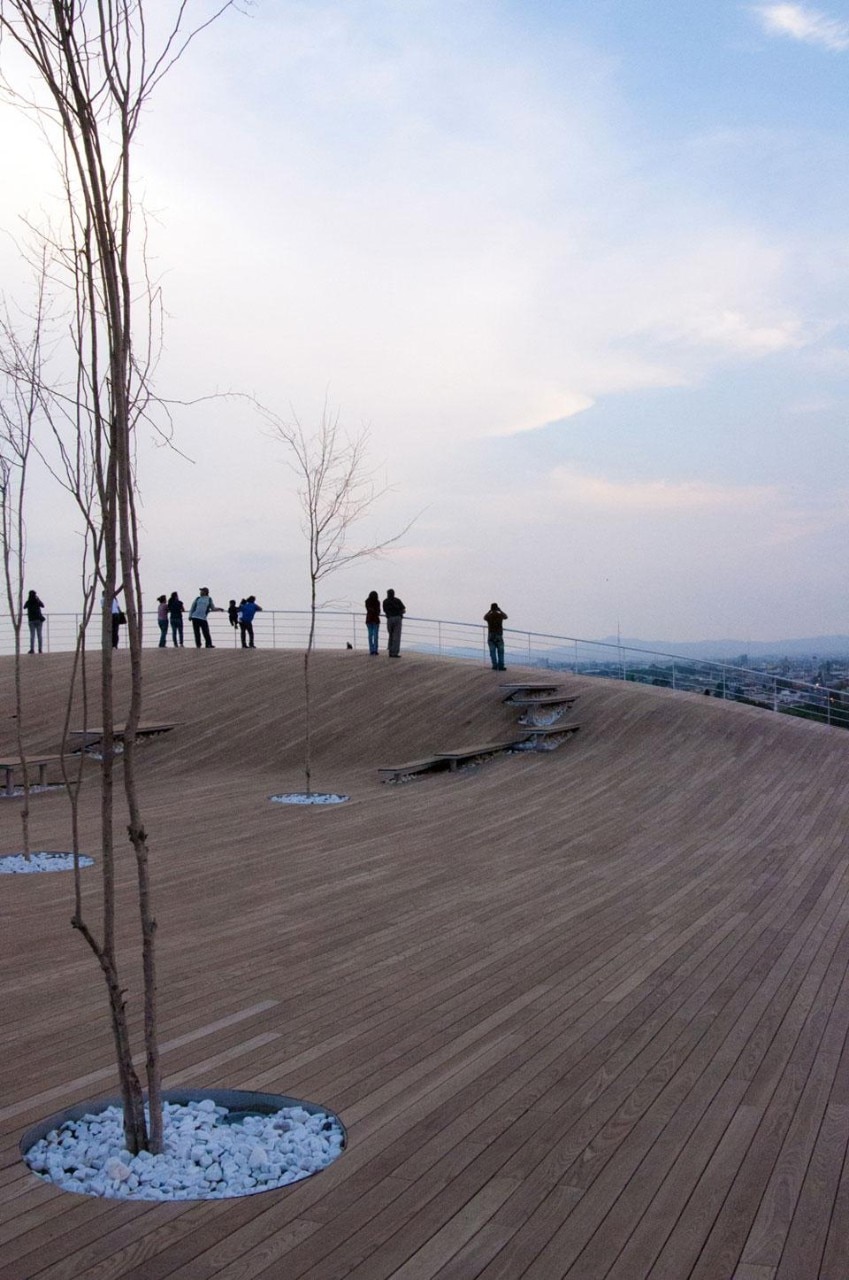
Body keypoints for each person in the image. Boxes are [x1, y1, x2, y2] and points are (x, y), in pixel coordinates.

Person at [484, 602, 508, 671]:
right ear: (497, 608)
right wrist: (500, 611)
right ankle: (501, 666)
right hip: (498, 635)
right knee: (500, 651)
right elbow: (506, 616)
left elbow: (484, 617)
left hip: (491, 635)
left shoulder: (489, 616)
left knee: (492, 651)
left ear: (491, 608)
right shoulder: (499, 615)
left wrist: (489, 612)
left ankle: (494, 665)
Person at [383, 589, 406, 657]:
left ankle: (390, 650)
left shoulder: (385, 601)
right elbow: (404, 610)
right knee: (396, 636)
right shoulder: (397, 600)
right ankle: (395, 652)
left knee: (391, 635)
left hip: (389, 619)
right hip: (397, 618)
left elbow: (384, 610)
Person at [25, 589, 45, 654]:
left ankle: (32, 649)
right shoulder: (37, 601)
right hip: (39, 620)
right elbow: (43, 605)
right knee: (39, 635)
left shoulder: (28, 602)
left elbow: (24, 607)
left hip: (31, 620)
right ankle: (40, 649)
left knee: (32, 635)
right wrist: (38, 599)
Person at [365, 590, 380, 655]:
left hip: (369, 620)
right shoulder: (377, 602)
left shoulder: (367, 602)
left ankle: (371, 650)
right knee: (375, 636)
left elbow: (369, 609)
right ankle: (375, 649)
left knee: (370, 635)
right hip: (375, 620)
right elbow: (378, 611)